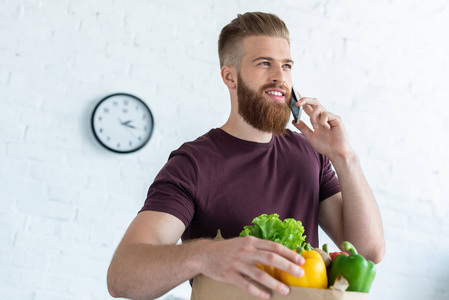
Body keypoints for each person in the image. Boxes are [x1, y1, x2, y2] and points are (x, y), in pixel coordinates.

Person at [107, 12, 385, 300]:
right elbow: (122, 278)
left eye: (286, 65)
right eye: (264, 63)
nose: (280, 76)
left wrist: (344, 157)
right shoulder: (193, 164)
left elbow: (368, 252)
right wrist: (205, 255)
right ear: (230, 76)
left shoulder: (309, 154)